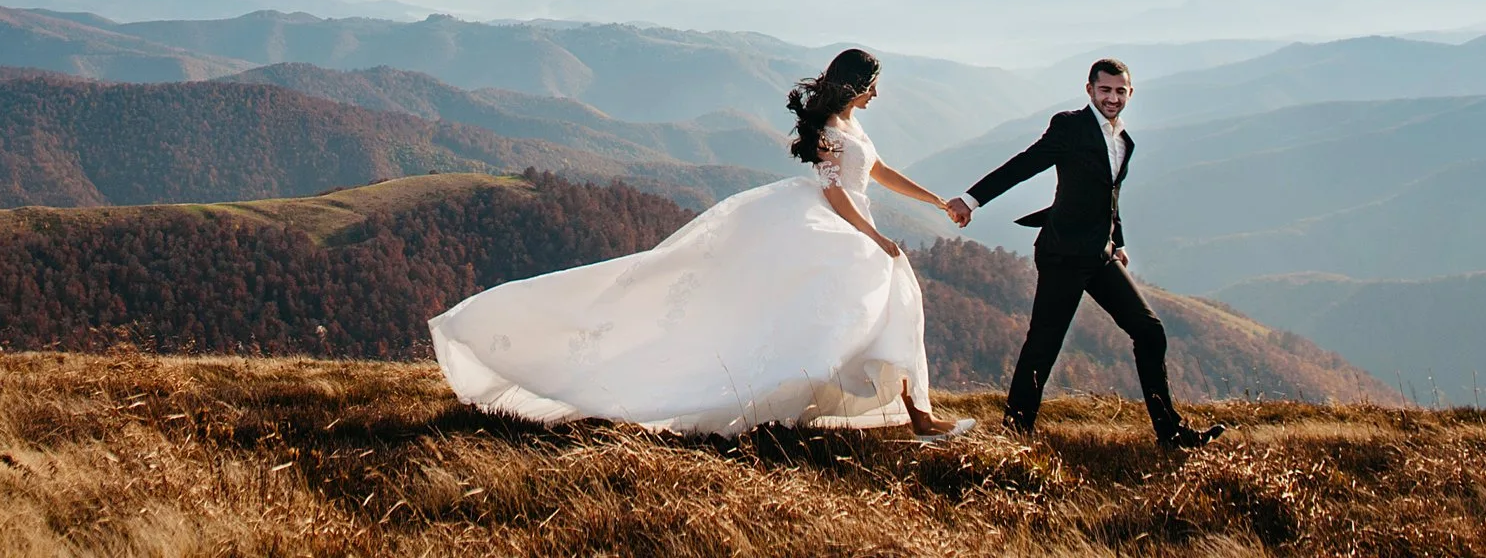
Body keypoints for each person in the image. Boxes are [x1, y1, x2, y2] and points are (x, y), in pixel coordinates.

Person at [428, 47, 977, 438]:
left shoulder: (850, 126)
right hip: (832, 222)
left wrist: (935, 201)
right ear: (859, 86)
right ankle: (899, 410)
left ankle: (910, 410)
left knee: (890, 297)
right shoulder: (831, 132)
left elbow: (879, 173)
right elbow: (837, 195)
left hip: (845, 219)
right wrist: (875, 236)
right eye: (875, 84)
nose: (878, 94)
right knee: (878, 291)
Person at [952, 57, 1227, 451]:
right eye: (1105, 90)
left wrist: (1119, 241)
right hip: (1062, 253)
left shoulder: (1124, 141)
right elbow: (1024, 165)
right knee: (1044, 345)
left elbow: (1109, 196)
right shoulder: (1070, 127)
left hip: (1100, 254)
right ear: (1090, 90)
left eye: (1120, 91)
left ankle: (1171, 433)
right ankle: (1014, 434)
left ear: (1130, 93)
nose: (1112, 98)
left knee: (1149, 331)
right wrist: (971, 199)